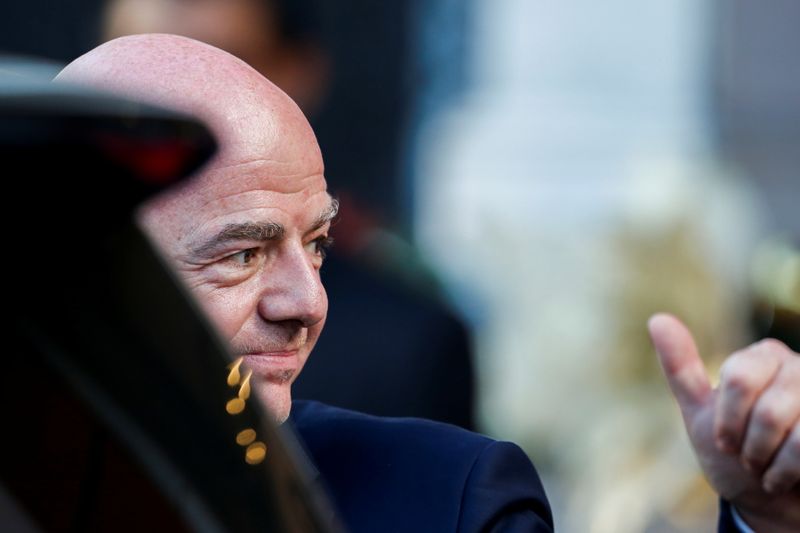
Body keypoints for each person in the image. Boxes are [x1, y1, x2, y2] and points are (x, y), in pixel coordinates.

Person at [54, 34, 799, 532]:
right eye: (243, 254)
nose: (307, 303)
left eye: (315, 244)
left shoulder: (442, 499)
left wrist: (764, 518)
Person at [100, 0, 478, 430]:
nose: (174, 109)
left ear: (299, 71)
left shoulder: (402, 346)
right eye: (139, 72)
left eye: (224, 63)